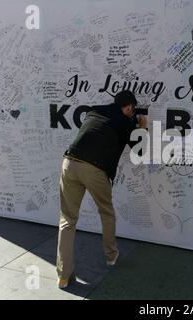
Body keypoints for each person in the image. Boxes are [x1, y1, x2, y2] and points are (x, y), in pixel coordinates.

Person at [56, 90, 147, 289]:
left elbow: (96, 134)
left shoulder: (93, 111)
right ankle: (111, 256)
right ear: (130, 108)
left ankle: (63, 275)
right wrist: (142, 127)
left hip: (69, 163)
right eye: (132, 111)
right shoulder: (126, 123)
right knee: (106, 213)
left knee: (67, 220)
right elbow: (140, 151)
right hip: (95, 170)